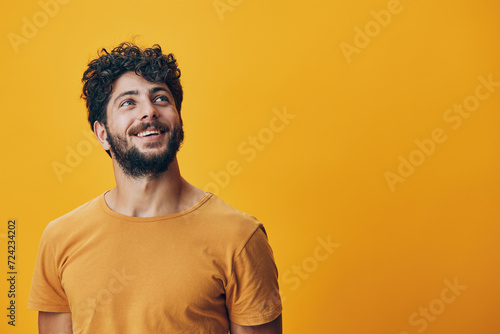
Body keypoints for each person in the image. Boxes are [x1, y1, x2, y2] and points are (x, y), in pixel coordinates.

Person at [28, 42, 282, 333]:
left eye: (160, 99)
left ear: (179, 118)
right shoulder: (60, 239)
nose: (149, 111)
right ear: (102, 134)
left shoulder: (239, 238)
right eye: (128, 102)